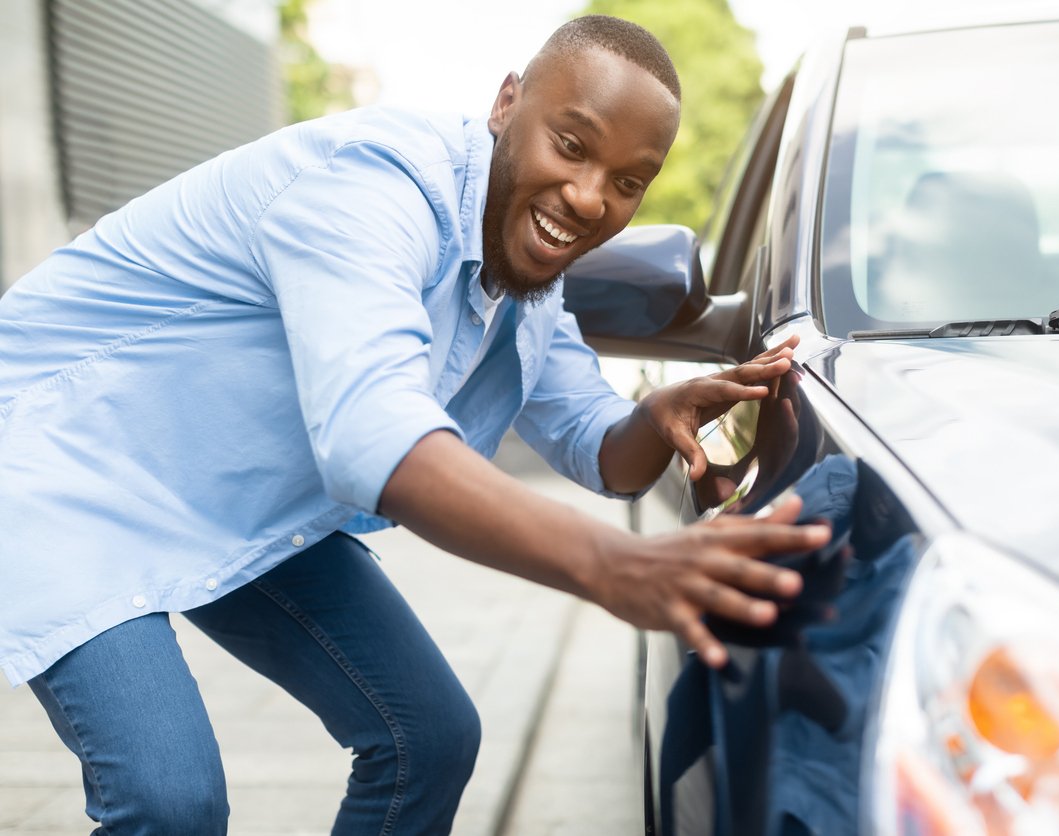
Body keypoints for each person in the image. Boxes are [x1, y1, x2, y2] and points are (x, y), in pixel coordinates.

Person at [0, 15, 828, 834]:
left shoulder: (526, 277)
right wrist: (614, 565)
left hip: (224, 483)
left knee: (428, 737)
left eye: (627, 181)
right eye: (571, 147)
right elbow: (372, 436)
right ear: (507, 104)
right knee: (170, 801)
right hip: (73, 459)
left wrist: (657, 414)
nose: (588, 197)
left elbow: (596, 444)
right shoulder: (375, 187)